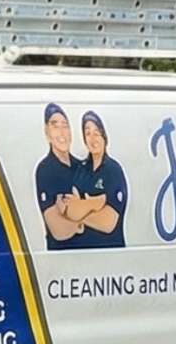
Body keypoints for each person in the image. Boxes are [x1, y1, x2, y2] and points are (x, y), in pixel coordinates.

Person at [70, 110, 129, 248]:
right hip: (83, 254)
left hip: (110, 255)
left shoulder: (113, 171)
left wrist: (80, 213)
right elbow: (71, 210)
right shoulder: (80, 170)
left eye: (96, 133)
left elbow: (108, 222)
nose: (93, 138)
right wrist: (95, 205)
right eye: (88, 133)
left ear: (104, 137)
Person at [34, 103, 90, 246]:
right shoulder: (45, 170)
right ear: (47, 131)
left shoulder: (82, 167)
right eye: (55, 126)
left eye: (65, 126)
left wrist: (73, 212)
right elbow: (58, 230)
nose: (62, 133)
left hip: (90, 254)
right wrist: (86, 215)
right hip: (62, 259)